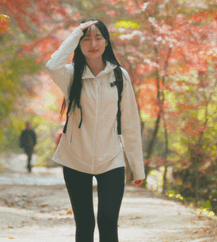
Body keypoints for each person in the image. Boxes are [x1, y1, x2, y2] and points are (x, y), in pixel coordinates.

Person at [46, 18, 145, 242]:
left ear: (106, 42)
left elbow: (130, 124)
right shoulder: (71, 75)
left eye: (98, 37)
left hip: (111, 160)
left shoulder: (120, 77)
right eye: (86, 38)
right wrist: (75, 33)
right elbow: (52, 65)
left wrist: (137, 168)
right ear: (78, 43)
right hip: (75, 160)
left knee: (108, 223)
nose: (93, 43)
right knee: (85, 225)